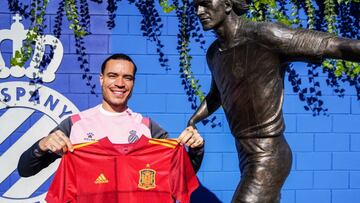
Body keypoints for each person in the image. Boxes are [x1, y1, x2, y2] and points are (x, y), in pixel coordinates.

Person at [188, 0, 360, 202]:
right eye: (196, 6)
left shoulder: (266, 35)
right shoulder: (214, 54)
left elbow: (333, 45)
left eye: (206, 4)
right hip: (245, 155)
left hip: (269, 155)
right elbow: (217, 94)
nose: (199, 11)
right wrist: (193, 121)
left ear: (227, 5)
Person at [18, 53, 204, 178]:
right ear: (101, 79)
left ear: (133, 82)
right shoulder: (74, 125)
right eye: (113, 75)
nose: (120, 83)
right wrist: (42, 145)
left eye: (127, 78)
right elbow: (25, 170)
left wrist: (196, 150)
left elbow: (181, 175)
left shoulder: (148, 128)